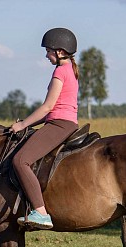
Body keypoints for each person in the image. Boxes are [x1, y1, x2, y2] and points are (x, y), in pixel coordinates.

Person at [10, 27, 79, 230]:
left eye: (48, 51)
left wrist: (22, 124)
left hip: (59, 124)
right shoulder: (71, 70)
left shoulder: (60, 71)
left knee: (20, 160)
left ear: (60, 51)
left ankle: (40, 212)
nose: (46, 55)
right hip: (61, 121)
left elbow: (48, 106)